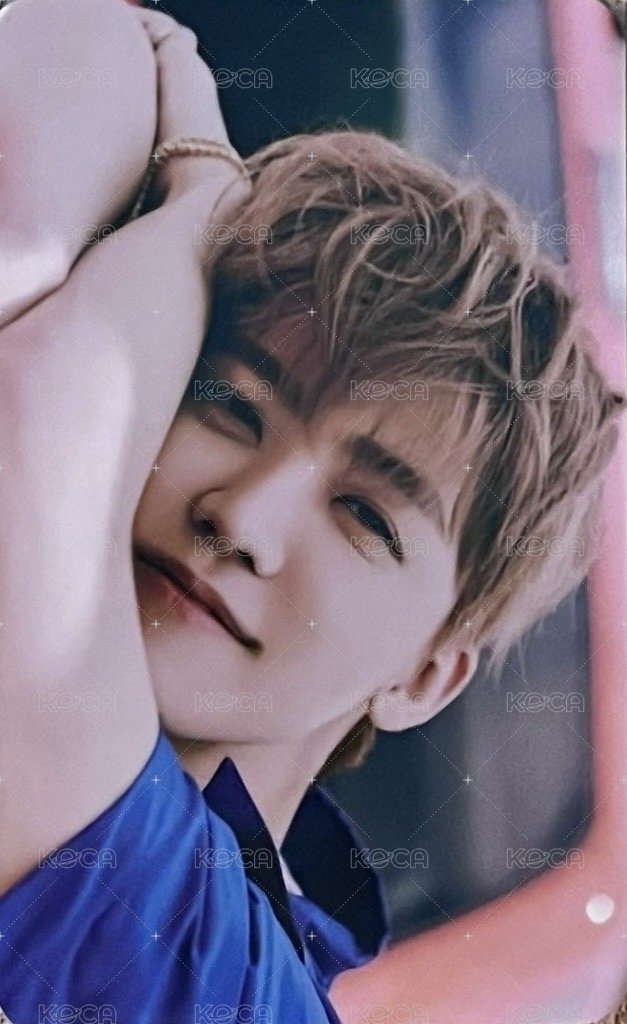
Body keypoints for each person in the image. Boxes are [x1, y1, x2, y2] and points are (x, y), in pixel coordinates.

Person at [0, 1, 624, 1021]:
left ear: (424, 675)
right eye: (230, 406)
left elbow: (31, 414)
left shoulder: (232, 992)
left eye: (365, 517)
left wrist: (203, 184)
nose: (241, 517)